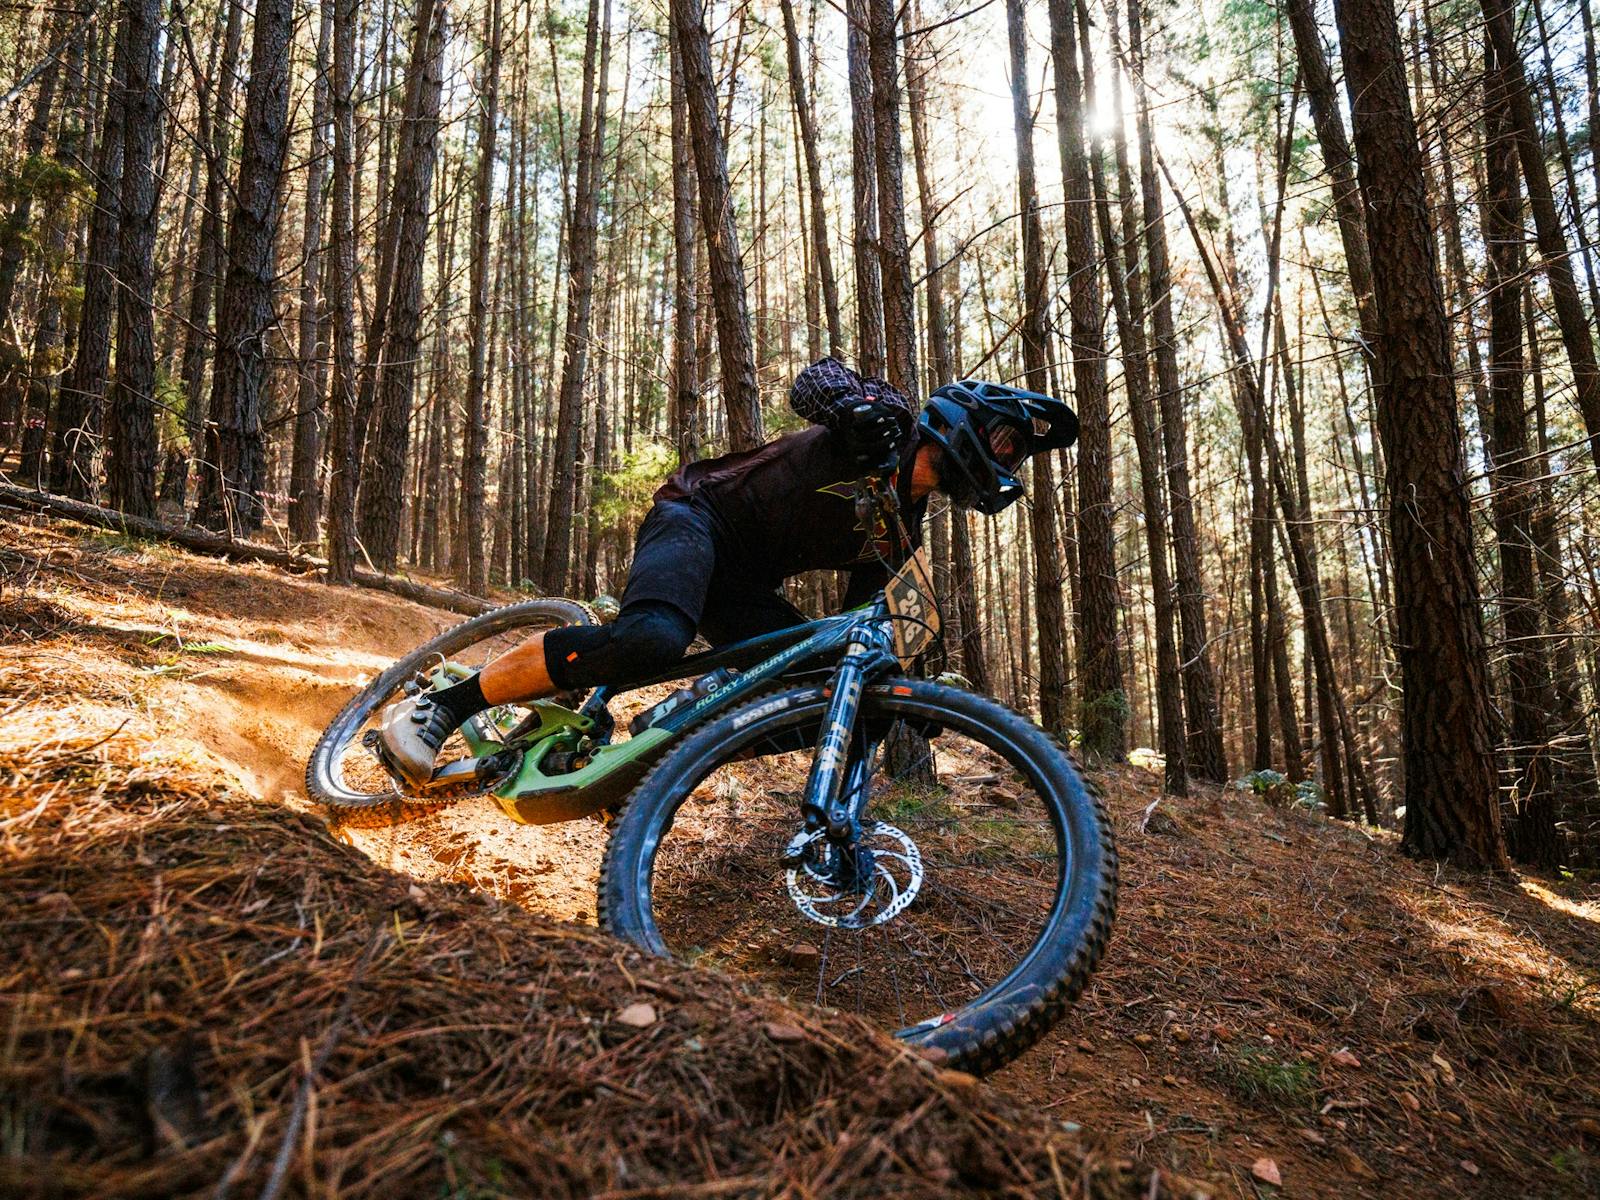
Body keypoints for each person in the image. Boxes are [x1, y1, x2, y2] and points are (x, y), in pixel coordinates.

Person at [379, 356, 1078, 785]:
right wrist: (850, 408)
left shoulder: (900, 532)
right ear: (959, 421)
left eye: (1017, 456)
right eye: (1005, 442)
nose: (1008, 461)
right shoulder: (887, 421)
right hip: (698, 519)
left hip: (741, 584)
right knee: (653, 637)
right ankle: (445, 706)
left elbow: (861, 629)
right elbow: (817, 381)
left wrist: (906, 691)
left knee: (837, 699)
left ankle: (669, 747)